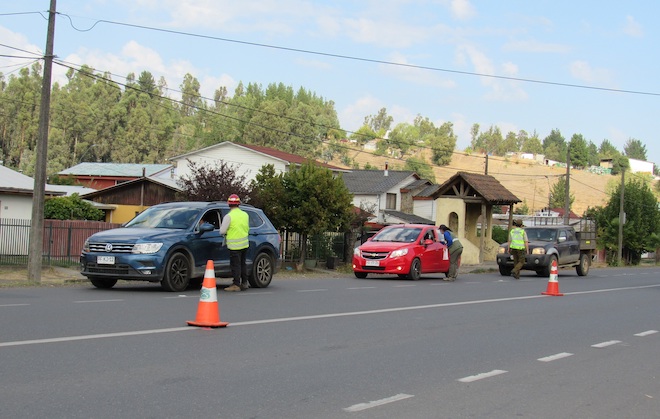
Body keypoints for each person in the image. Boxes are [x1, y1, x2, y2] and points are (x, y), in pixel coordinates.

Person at [219, 194, 250, 292]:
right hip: (244, 244)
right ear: (239, 204)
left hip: (234, 245)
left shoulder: (229, 216)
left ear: (229, 204)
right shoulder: (245, 215)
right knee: (242, 264)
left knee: (235, 265)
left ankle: (236, 284)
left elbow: (222, 231)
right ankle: (244, 282)